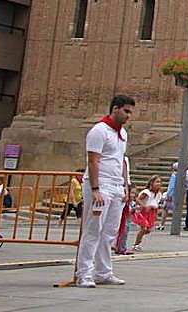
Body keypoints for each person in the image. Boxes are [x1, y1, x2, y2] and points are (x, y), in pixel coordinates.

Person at [75, 94, 135, 288]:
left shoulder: (122, 133)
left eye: (130, 112)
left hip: (116, 186)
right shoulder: (99, 130)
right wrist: (95, 188)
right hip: (101, 185)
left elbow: (121, 160)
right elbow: (93, 160)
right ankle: (84, 273)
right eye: (126, 111)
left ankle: (103, 272)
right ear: (115, 109)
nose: (128, 116)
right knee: (93, 230)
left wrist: (124, 186)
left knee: (110, 232)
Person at [132, 176, 162, 250]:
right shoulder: (146, 192)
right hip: (144, 211)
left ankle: (139, 237)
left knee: (148, 230)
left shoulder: (158, 194)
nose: (159, 184)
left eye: (159, 182)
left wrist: (156, 212)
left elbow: (156, 203)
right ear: (151, 183)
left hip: (151, 212)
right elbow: (138, 199)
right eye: (157, 182)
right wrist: (144, 206)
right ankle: (136, 244)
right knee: (144, 228)